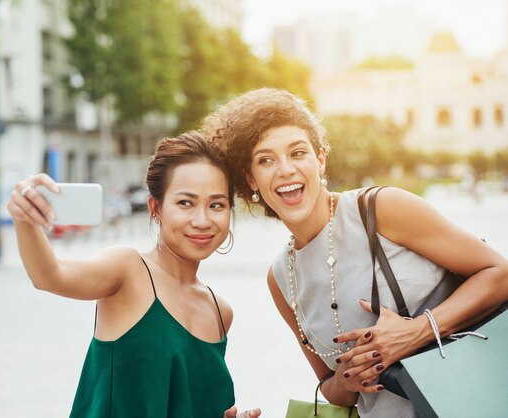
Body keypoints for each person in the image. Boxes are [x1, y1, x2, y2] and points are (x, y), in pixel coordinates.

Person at [202, 88, 508, 417]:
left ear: (320, 159)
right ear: (251, 178)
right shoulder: (280, 278)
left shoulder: (380, 209)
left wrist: (416, 331)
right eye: (266, 160)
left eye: (298, 152)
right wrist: (348, 380)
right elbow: (331, 388)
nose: (286, 169)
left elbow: (499, 274)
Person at [7, 131, 261, 418]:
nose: (202, 220)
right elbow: (50, 275)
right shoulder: (128, 270)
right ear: (156, 209)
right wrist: (25, 217)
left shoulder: (220, 311)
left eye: (216, 205)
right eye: (185, 203)